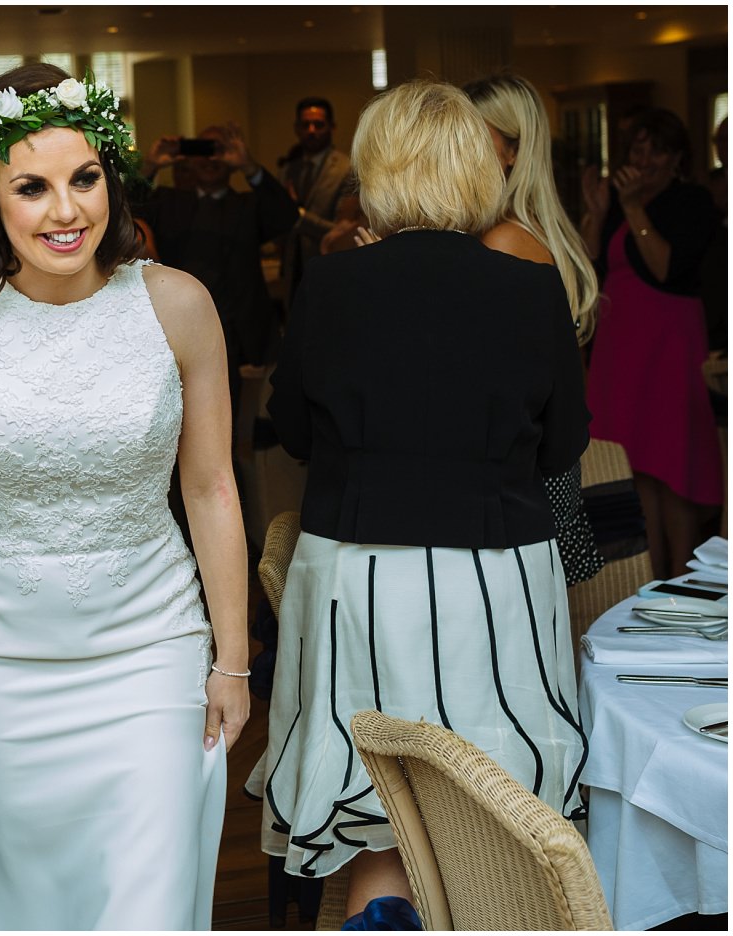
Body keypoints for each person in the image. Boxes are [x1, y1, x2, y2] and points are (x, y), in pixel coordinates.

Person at [0, 63, 249, 929]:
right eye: (31, 187)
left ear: (112, 176)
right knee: (28, 900)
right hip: (0, 654)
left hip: (151, 642)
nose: (65, 211)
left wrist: (232, 656)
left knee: (144, 899)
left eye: (84, 179)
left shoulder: (176, 306)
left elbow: (212, 485)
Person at [254, 80, 589, 922]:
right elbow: (564, 445)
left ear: (377, 171)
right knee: (498, 783)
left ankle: (386, 913)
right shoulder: (529, 282)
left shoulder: (332, 287)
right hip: (497, 577)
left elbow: (291, 429)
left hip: (356, 575)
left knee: (376, 801)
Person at [464, 73, 605, 588]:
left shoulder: (503, 241)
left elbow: (472, 372)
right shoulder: (526, 231)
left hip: (521, 482)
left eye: (472, 137)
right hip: (539, 467)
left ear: (513, 152)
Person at [579, 107, 722, 578]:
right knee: (632, 464)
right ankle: (649, 579)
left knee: (671, 461)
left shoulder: (692, 202)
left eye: (656, 150)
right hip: (623, 347)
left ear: (677, 156)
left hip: (669, 346)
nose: (645, 159)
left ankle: (686, 579)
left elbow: (666, 268)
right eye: (638, 149)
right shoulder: (620, 202)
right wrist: (599, 215)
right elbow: (591, 271)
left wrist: (636, 207)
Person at [135, 122, 298, 412]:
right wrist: (150, 166)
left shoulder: (248, 205)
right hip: (171, 330)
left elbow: (286, 217)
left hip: (235, 334)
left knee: (227, 418)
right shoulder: (167, 201)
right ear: (189, 158)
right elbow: (120, 212)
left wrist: (250, 167)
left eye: (218, 151)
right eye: (203, 150)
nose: (210, 159)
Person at [279, 97, 353, 309]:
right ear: (296, 129)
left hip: (330, 269)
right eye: (305, 125)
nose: (311, 130)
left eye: (319, 125)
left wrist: (298, 215)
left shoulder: (346, 170)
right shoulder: (287, 170)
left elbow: (342, 231)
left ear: (332, 127)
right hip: (293, 275)